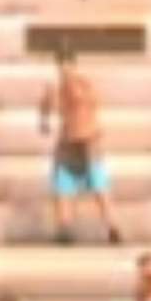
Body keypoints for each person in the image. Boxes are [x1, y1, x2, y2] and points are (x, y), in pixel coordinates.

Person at [40, 48, 123, 246]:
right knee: (63, 187)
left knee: (99, 186)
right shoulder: (56, 87)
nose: (64, 68)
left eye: (67, 64)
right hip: (68, 140)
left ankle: (112, 227)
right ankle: (64, 228)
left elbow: (88, 104)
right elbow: (47, 108)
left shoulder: (83, 84)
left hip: (89, 140)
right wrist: (45, 117)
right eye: (61, 65)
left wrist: (66, 93)